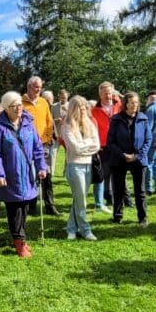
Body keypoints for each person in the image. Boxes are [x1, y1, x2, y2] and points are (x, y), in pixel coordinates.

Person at [0, 91, 47, 257]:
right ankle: (19, 242)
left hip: (28, 173)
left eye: (20, 105)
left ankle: (21, 238)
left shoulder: (28, 123)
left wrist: (41, 166)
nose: (19, 108)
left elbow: (37, 148)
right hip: (9, 174)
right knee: (15, 208)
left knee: (26, 205)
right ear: (6, 108)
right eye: (14, 106)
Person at [106, 91, 152, 227]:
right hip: (119, 159)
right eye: (132, 102)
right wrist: (123, 155)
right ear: (125, 104)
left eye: (137, 103)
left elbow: (148, 140)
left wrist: (137, 156)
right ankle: (117, 216)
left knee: (140, 190)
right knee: (118, 190)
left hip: (138, 159)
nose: (134, 105)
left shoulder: (143, 119)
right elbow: (111, 142)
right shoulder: (116, 119)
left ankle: (142, 218)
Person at [61, 95, 100, 240]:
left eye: (85, 107)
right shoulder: (67, 126)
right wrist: (88, 143)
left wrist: (85, 144)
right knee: (81, 200)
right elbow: (75, 149)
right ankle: (85, 230)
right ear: (73, 109)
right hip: (75, 166)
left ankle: (71, 229)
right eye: (80, 108)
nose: (84, 111)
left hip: (89, 165)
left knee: (79, 199)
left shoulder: (89, 123)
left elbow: (96, 145)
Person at [21, 76, 58, 215]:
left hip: (43, 145)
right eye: (36, 87)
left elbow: (49, 122)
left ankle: (50, 205)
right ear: (29, 86)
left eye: (40, 87)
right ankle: (31, 206)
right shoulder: (20, 103)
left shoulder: (43, 102)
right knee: (30, 176)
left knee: (46, 176)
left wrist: (48, 138)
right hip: (26, 146)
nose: (39, 89)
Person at [91, 81, 123, 212]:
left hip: (119, 145)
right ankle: (108, 198)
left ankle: (124, 198)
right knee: (104, 174)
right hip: (102, 146)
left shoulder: (120, 106)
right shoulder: (94, 110)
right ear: (99, 94)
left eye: (109, 93)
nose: (107, 96)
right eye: (104, 93)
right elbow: (92, 128)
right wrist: (95, 144)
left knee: (120, 173)